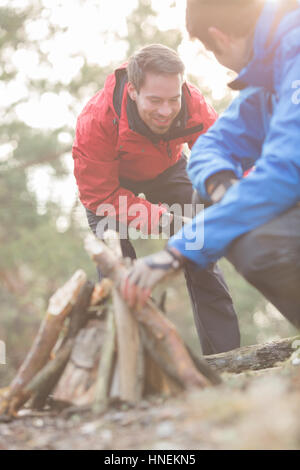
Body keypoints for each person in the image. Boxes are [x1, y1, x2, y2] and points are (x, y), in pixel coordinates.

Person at [121, 0, 300, 332]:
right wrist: (220, 185)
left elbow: (286, 170)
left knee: (258, 245)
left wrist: (178, 252)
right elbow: (212, 145)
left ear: (220, 38)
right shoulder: (271, 74)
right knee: (206, 201)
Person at [72, 44, 240, 355]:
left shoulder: (192, 103)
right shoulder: (95, 122)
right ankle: (141, 363)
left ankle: (226, 357)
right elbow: (99, 194)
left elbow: (223, 155)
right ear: (133, 91)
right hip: (108, 189)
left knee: (198, 247)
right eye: (155, 101)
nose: (166, 110)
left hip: (166, 169)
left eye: (173, 99)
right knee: (119, 270)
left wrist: (236, 200)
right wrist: (165, 220)